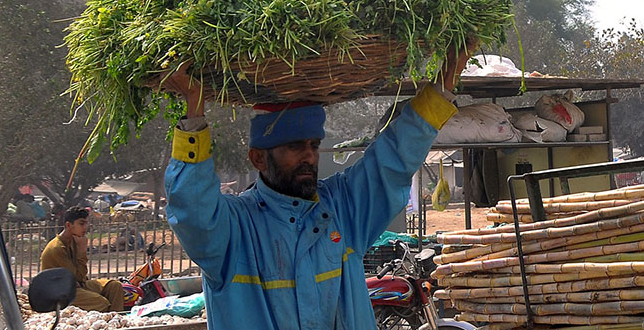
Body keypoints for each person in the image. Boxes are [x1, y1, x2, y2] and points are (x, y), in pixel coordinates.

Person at [164, 44, 475, 329]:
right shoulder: (235, 229)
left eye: (313, 145)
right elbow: (192, 208)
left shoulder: (342, 209)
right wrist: (194, 112)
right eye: (295, 147)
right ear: (258, 158)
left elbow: (392, 162)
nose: (310, 157)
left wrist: (442, 87)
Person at [39, 206, 123, 312]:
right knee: (101, 303)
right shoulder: (57, 248)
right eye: (82, 224)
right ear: (69, 225)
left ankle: (117, 322)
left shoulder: (75, 240)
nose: (86, 227)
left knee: (114, 286)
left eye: (87, 223)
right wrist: (82, 252)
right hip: (61, 291)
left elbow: (81, 277)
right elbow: (77, 276)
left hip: (78, 285)